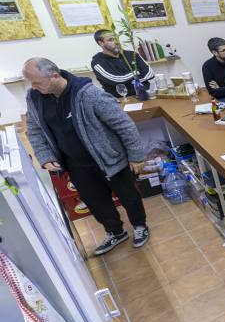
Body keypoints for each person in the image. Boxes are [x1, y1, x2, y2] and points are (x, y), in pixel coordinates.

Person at [23, 57, 149, 255]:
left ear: (54, 76)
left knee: (128, 196)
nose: (34, 87)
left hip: (109, 158)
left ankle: (140, 226)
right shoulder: (34, 97)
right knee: (96, 202)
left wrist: (136, 156)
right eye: (31, 83)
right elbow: (34, 129)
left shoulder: (88, 94)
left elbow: (124, 124)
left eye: (37, 82)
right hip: (75, 164)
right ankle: (115, 232)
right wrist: (45, 156)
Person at [90, 29, 155, 97]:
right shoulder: (97, 62)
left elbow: (150, 73)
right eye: (111, 40)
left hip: (146, 94)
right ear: (101, 43)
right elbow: (116, 80)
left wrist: (131, 81)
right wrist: (137, 72)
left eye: (116, 39)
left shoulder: (132, 54)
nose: (116, 42)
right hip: (122, 99)